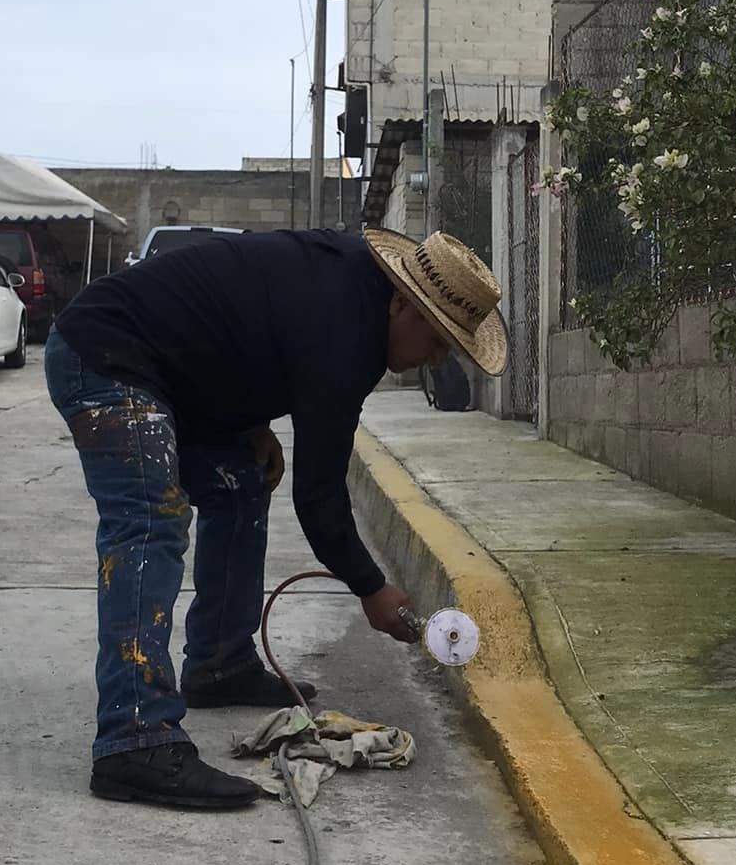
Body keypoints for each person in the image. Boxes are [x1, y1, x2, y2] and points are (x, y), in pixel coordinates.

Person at [46, 226, 507, 811]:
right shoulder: (348, 328)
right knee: (149, 519)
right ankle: (132, 741)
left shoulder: (351, 287)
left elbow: (245, 325)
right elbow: (319, 497)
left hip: (166, 368)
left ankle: (219, 664)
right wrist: (371, 587)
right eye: (438, 339)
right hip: (107, 356)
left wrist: (247, 422)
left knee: (240, 484)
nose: (436, 357)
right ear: (401, 301)